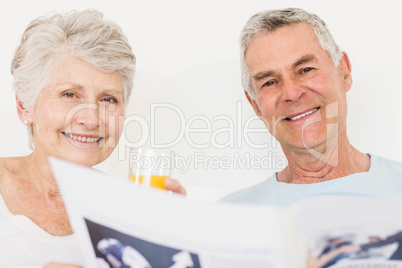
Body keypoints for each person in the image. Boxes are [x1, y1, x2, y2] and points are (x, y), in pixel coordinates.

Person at [0, 9, 185, 267]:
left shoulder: (134, 211)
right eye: (70, 94)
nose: (91, 119)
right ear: (24, 106)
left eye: (108, 99)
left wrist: (173, 248)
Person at [221, 7, 402, 205]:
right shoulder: (230, 215)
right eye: (270, 82)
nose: (291, 93)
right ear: (255, 105)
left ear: (344, 71)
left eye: (305, 69)